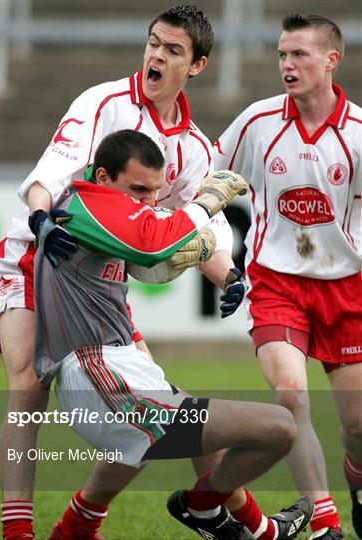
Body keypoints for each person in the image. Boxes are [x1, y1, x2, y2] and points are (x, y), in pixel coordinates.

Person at [0, 6, 245, 539]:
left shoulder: (194, 147)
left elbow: (187, 231)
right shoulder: (103, 102)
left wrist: (230, 275)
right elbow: (47, 178)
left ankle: (88, 521)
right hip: (39, 257)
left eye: (173, 50)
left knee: (160, 405)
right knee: (29, 385)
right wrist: (39, 219)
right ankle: (16, 532)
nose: (156, 56)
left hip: (102, 284)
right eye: (154, 43)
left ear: (196, 66)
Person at [31, 128, 312, 540]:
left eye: (154, 193)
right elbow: (151, 246)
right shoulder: (87, 204)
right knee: (280, 428)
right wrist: (206, 203)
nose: (147, 203)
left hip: (114, 367)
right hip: (98, 374)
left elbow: (149, 260)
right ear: (104, 176)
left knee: (187, 440)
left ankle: (76, 530)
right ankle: (201, 507)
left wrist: (198, 256)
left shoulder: (104, 209)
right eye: (137, 190)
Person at [214, 14, 362, 540]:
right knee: (290, 394)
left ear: (330, 60)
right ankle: (324, 523)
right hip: (276, 282)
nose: (287, 65)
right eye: (281, 55)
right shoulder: (258, 121)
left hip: (346, 288)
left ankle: (356, 478)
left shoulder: (359, 133)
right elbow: (209, 176)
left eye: (298, 55)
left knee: (357, 426)